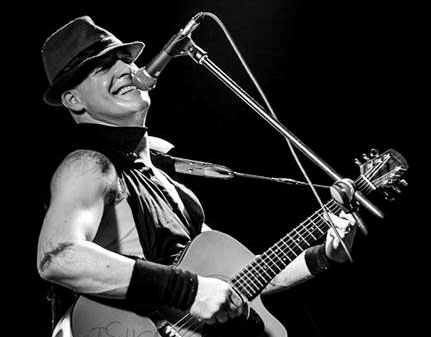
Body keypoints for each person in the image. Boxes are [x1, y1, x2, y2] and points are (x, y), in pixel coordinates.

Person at [37, 16, 357, 336]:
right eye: (102, 67)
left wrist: (325, 255)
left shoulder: (169, 184)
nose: (125, 69)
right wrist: (189, 291)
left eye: (124, 58)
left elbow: (233, 281)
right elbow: (58, 257)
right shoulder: (88, 165)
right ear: (73, 100)